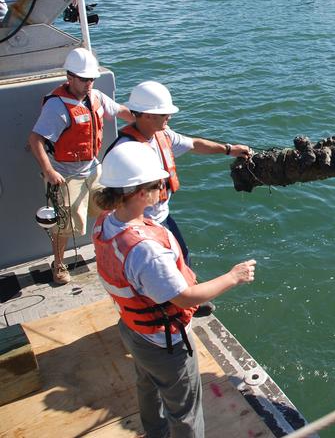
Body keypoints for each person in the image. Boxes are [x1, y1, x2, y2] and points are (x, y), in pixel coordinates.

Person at [93, 141, 257, 438]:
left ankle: (155, 433)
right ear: (142, 192)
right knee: (184, 412)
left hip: (133, 331)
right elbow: (183, 297)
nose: (163, 189)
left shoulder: (105, 221)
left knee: (147, 384)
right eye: (159, 184)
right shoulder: (145, 251)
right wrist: (234, 276)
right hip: (165, 343)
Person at [105, 81, 252, 269]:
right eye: (165, 113)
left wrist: (229, 149)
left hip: (163, 217)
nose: (170, 116)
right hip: (141, 226)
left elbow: (194, 144)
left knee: (183, 262)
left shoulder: (163, 135)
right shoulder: (125, 150)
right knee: (161, 272)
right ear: (148, 115)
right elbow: (116, 197)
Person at [28, 48, 134, 284]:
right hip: (65, 174)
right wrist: (49, 171)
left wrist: (145, 121)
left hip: (93, 168)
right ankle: (59, 264)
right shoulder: (57, 107)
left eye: (92, 79)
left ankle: (107, 252)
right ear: (70, 77)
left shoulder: (96, 97)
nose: (89, 83)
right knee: (64, 225)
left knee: (108, 210)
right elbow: (35, 140)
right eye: (84, 79)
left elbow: (120, 111)